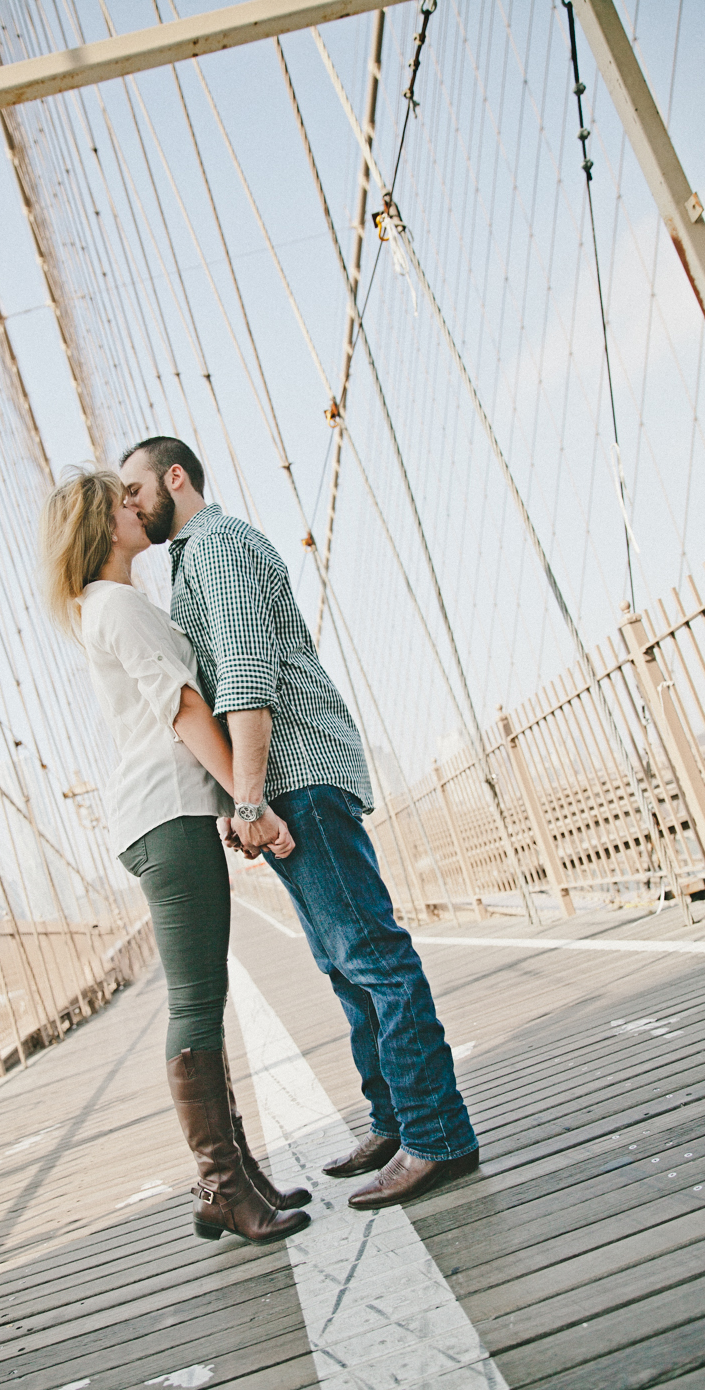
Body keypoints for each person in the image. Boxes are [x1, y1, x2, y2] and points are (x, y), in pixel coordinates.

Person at [119, 437, 479, 1210]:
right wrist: (244, 799)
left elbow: (246, 675)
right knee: (342, 962)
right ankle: (395, 1120)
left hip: (299, 776)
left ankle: (437, 1136)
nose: (129, 503)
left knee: (373, 956)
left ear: (174, 477)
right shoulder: (193, 561)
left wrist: (247, 800)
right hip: (284, 782)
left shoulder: (216, 547)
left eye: (134, 486)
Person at [38, 467, 310, 1245]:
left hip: (163, 812)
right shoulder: (118, 604)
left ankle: (238, 1173)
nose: (136, 506)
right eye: (121, 503)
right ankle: (220, 1183)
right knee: (195, 1001)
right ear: (98, 526)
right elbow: (186, 707)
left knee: (205, 997)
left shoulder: (105, 607)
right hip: (167, 812)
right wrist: (250, 805)